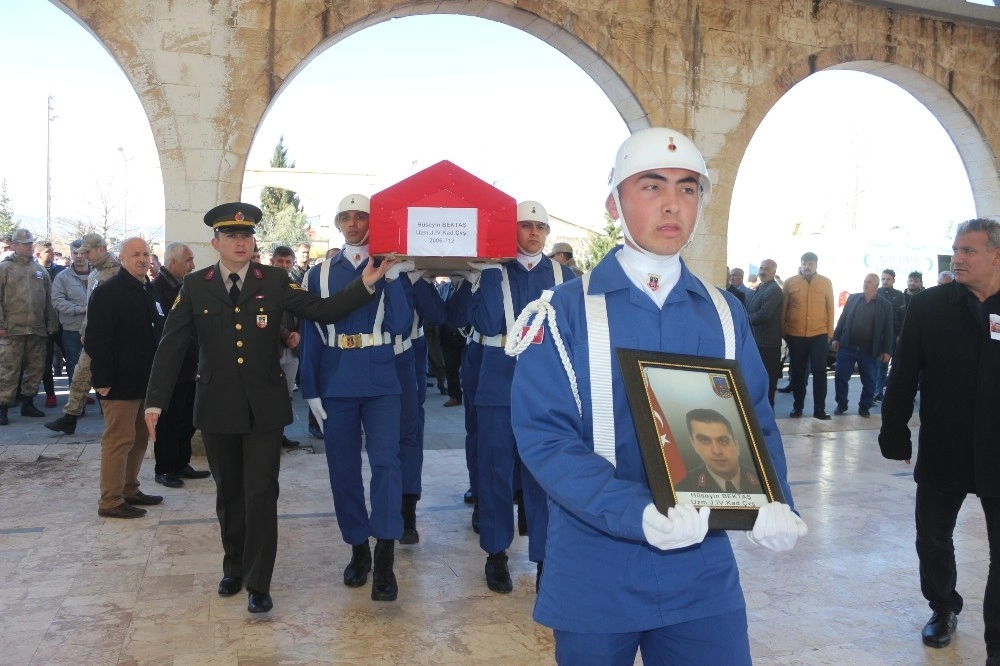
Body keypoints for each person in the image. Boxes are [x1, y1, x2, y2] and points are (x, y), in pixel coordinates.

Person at [508, 128, 806, 665]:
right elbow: (545, 439)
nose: (673, 204)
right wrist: (636, 511)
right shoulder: (564, 312)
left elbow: (755, 421)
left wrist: (774, 499)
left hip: (702, 573)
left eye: (688, 188)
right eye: (651, 186)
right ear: (614, 202)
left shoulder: (722, 311)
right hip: (597, 568)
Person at [144, 202, 391, 614]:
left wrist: (365, 284)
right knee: (229, 494)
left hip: (264, 408)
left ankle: (259, 582)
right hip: (217, 406)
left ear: (253, 241)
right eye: (231, 236)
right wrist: (155, 401)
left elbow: (323, 311)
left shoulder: (275, 281)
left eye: (246, 236)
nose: (240, 242)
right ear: (216, 242)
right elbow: (171, 345)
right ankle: (234, 566)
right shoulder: (195, 285)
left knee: (261, 493)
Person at [879, 218, 1000, 662]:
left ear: (996, 255)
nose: (958, 258)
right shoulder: (929, 306)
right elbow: (904, 371)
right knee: (932, 536)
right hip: (945, 444)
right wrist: (893, 430)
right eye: (956, 250)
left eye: (968, 250)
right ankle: (944, 606)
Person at [299, 193, 411, 603]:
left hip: (382, 379)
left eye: (360, 217)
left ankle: (385, 555)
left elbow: (400, 325)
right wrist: (309, 388)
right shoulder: (319, 273)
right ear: (337, 223)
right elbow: (311, 333)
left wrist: (394, 277)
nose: (352, 224)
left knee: (386, 465)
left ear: (372, 222)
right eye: (345, 217)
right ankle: (357, 548)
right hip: (337, 380)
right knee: (342, 470)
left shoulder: (388, 267)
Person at [469, 200, 576, 594]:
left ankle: (546, 558)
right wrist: (481, 280)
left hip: (547, 385)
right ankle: (496, 553)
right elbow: (485, 323)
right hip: (499, 379)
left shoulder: (566, 275)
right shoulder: (493, 273)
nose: (533, 233)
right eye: (525, 226)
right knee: (495, 470)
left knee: (543, 476)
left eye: (539, 227)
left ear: (547, 233)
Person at [86, 238, 164, 518]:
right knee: (118, 440)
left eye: (146, 254)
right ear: (122, 259)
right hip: (117, 382)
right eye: (136, 254)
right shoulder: (109, 292)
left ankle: (130, 489)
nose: (143, 259)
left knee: (140, 438)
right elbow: (96, 340)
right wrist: (102, 379)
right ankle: (110, 500)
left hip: (145, 381)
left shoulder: (148, 290)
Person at [44, 233, 120, 434]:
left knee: (103, 378)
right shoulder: (96, 272)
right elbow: (92, 307)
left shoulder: (116, 273)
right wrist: (85, 330)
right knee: (80, 376)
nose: (84, 256)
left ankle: (109, 420)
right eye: (81, 252)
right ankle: (70, 418)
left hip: (109, 337)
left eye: (87, 252)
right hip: (93, 335)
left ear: (101, 249)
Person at [149, 242, 211, 487]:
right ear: (173, 262)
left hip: (190, 368)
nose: (193, 265)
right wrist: (201, 352)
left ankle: (181, 463)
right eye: (188, 260)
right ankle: (164, 468)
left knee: (187, 420)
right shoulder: (158, 290)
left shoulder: (186, 287)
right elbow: (172, 333)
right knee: (169, 421)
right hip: (173, 369)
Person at [0, 229, 59, 425]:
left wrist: (51, 324)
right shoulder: (4, 269)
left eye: (30, 243)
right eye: (25, 243)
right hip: (11, 329)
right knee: (8, 369)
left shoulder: (40, 271)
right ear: (15, 245)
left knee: (35, 367)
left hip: (37, 328)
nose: (29, 246)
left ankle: (28, 402)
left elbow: (50, 300)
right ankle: (3, 407)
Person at [781, 251, 835, 419]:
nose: (807, 266)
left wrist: (829, 333)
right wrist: (783, 331)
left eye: (811, 263)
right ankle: (798, 407)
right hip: (796, 335)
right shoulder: (790, 283)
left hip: (819, 334)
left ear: (816, 265)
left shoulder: (826, 283)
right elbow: (784, 309)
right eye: (805, 263)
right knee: (798, 372)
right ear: (801, 264)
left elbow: (830, 308)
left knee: (820, 372)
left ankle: (819, 410)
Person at [830, 273, 892, 418]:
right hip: (847, 346)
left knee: (869, 380)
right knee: (840, 377)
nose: (865, 284)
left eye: (869, 282)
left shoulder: (885, 305)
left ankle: (865, 406)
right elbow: (842, 319)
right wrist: (836, 338)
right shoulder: (853, 299)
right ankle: (841, 404)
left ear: (876, 286)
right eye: (865, 281)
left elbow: (888, 329)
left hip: (869, 350)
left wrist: (887, 351)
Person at [674, 409, 761, 493]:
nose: (716, 451)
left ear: (736, 446)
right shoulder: (681, 488)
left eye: (723, 441)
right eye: (705, 440)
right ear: (693, 444)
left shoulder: (763, 480)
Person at [269, 246, 302, 448]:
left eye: (287, 261)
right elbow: (266, 318)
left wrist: (297, 334)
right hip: (273, 351)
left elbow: (304, 313)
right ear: (272, 261)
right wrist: (286, 335)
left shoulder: (296, 287)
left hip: (293, 351)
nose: (283, 265)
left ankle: (281, 435)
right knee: (270, 396)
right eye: (280, 261)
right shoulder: (263, 286)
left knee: (287, 396)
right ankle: (269, 438)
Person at [50, 239, 89, 385]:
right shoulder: (62, 277)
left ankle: (102, 406)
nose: (79, 256)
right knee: (75, 370)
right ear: (71, 254)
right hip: (73, 330)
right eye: (75, 253)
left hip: (97, 329)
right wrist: (79, 309)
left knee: (99, 370)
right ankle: (78, 407)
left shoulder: (98, 274)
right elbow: (58, 301)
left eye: (82, 252)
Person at [745, 258, 782, 407]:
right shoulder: (762, 287)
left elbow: (765, 314)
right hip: (758, 341)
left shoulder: (773, 289)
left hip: (768, 344)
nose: (762, 271)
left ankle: (767, 414)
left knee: (767, 381)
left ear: (774, 271)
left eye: (766, 269)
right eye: (761, 268)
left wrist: (746, 320)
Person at [35, 240, 65, 407]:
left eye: (53, 251)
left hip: (61, 322)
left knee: (72, 357)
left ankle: (78, 392)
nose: (52, 254)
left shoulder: (61, 271)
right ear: (39, 254)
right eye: (49, 252)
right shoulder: (33, 272)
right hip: (43, 324)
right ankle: (50, 394)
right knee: (46, 361)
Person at [874, 268, 907, 402]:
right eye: (883, 279)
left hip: (892, 335)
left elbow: (903, 316)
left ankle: (880, 392)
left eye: (888, 279)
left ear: (893, 280)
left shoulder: (899, 295)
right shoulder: (876, 293)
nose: (885, 281)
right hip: (876, 335)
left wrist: (900, 335)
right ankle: (874, 393)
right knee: (875, 365)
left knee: (886, 364)